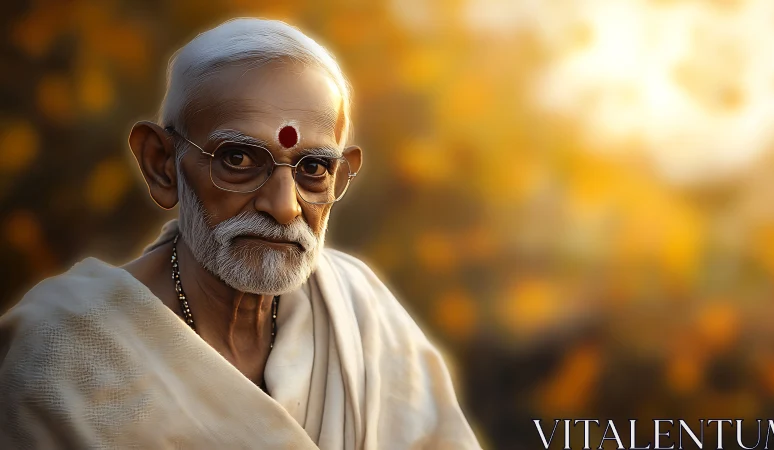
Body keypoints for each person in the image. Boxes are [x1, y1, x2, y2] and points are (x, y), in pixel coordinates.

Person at [0, 18, 481, 449]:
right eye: (239, 159)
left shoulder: (363, 313)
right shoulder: (64, 351)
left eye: (314, 167)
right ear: (161, 164)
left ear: (341, 174)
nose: (284, 205)